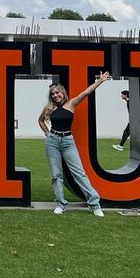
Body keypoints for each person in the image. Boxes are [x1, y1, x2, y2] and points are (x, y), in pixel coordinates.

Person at [38, 74, 110, 216]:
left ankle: (94, 204)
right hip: (52, 142)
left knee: (79, 173)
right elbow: (40, 121)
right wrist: (47, 134)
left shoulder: (71, 104)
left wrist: (100, 81)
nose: (55, 95)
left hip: (68, 142)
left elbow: (86, 92)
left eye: (57, 92)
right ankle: (60, 204)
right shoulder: (49, 108)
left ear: (62, 92)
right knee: (56, 175)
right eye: (53, 94)